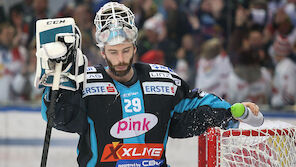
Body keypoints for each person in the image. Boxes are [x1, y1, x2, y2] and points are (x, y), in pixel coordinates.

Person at [37, 2, 260, 167]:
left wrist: (231, 112)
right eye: (113, 52)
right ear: (103, 53)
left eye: (126, 50)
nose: (121, 58)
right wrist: (58, 83)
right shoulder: (85, 84)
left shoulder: (163, 79)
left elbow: (193, 109)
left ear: (135, 48)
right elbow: (61, 119)